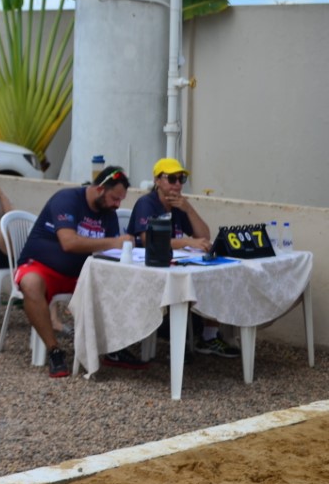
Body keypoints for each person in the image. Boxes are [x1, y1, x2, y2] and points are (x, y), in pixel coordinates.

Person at [14, 166, 133, 378]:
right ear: (100, 189)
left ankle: (113, 348)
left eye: (120, 200)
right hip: (42, 266)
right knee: (30, 284)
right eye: (115, 198)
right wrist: (114, 242)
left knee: (121, 283)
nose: (117, 204)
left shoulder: (109, 214)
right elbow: (68, 243)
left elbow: (112, 252)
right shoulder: (67, 199)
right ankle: (54, 350)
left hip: (82, 271)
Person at [128, 158, 239, 358]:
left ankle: (208, 337)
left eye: (181, 179)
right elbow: (148, 240)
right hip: (151, 269)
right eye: (172, 179)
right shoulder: (147, 204)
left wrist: (188, 209)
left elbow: (204, 235)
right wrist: (187, 242)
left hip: (178, 265)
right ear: (157, 181)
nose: (177, 184)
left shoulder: (179, 206)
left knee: (217, 277)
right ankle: (178, 345)